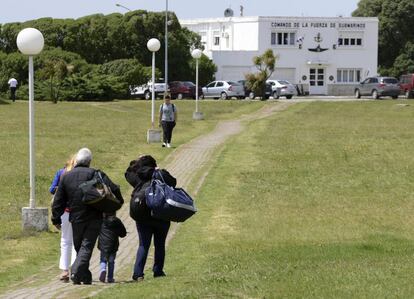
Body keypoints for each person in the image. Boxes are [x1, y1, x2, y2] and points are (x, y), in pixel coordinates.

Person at [52, 147, 124, 285]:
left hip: (76, 218)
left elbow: (58, 200)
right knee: (85, 247)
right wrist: (118, 202)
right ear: (89, 161)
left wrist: (55, 218)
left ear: (76, 161)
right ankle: (77, 272)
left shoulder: (66, 176)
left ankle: (82, 275)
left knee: (81, 247)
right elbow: (114, 188)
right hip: (94, 217)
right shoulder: (96, 173)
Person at [125, 155, 176, 281]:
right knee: (160, 245)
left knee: (143, 245)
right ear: (154, 164)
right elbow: (173, 182)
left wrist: (136, 162)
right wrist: (160, 170)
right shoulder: (161, 175)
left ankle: (138, 274)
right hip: (162, 216)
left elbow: (127, 173)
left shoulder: (139, 177)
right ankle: (158, 271)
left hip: (143, 217)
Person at [49, 155, 77, 282]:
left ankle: (65, 270)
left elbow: (51, 189)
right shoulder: (81, 174)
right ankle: (75, 270)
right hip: (79, 212)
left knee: (65, 241)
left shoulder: (61, 173)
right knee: (78, 241)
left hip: (64, 211)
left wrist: (60, 189)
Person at [98, 212, 127, 283]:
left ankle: (103, 270)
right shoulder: (117, 221)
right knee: (111, 261)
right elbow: (123, 233)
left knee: (103, 260)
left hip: (103, 244)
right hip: (113, 245)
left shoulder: (102, 221)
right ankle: (110, 278)